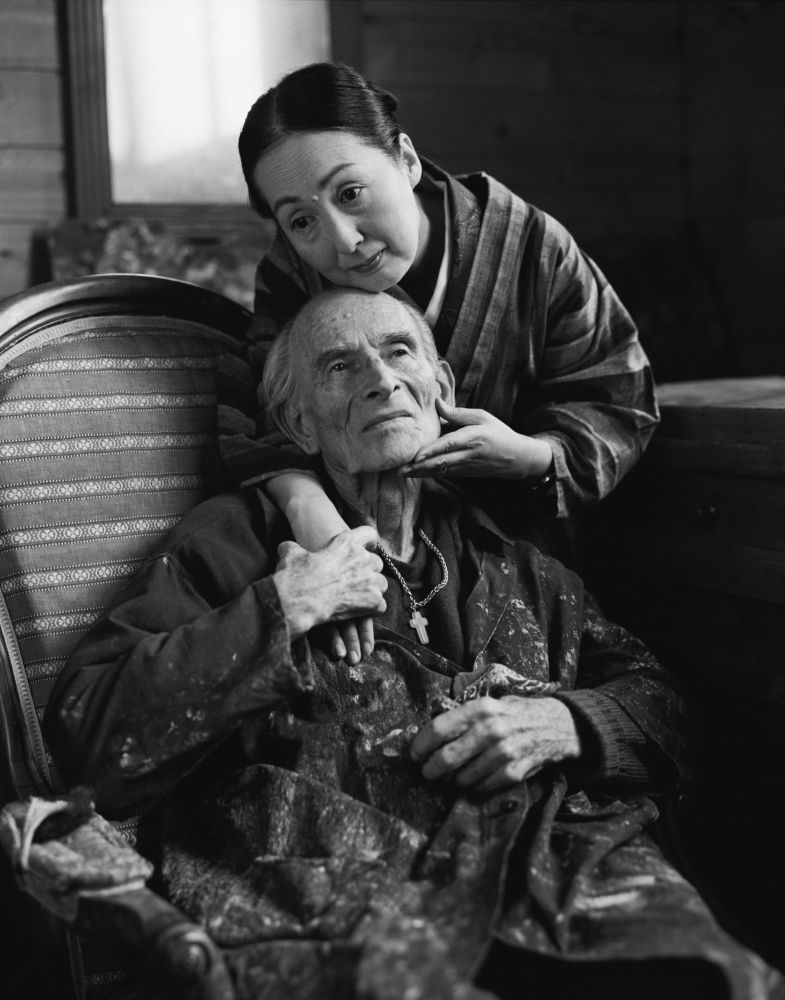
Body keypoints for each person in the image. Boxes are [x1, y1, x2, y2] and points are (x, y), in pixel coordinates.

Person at [46, 289, 781, 1000]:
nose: (379, 379)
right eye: (339, 367)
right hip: (342, 913)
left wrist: (567, 723)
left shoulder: (515, 560)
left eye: (398, 351)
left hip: (561, 890)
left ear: (440, 385)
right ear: (299, 425)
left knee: (723, 979)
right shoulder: (234, 544)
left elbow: (667, 710)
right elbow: (91, 736)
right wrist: (282, 608)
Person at [220, 60, 660, 667]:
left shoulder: (533, 247)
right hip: (371, 569)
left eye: (351, 193)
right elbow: (263, 407)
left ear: (405, 159)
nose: (342, 240)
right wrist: (311, 512)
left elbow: (619, 398)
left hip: (517, 568)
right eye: (302, 220)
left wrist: (531, 458)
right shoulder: (292, 273)